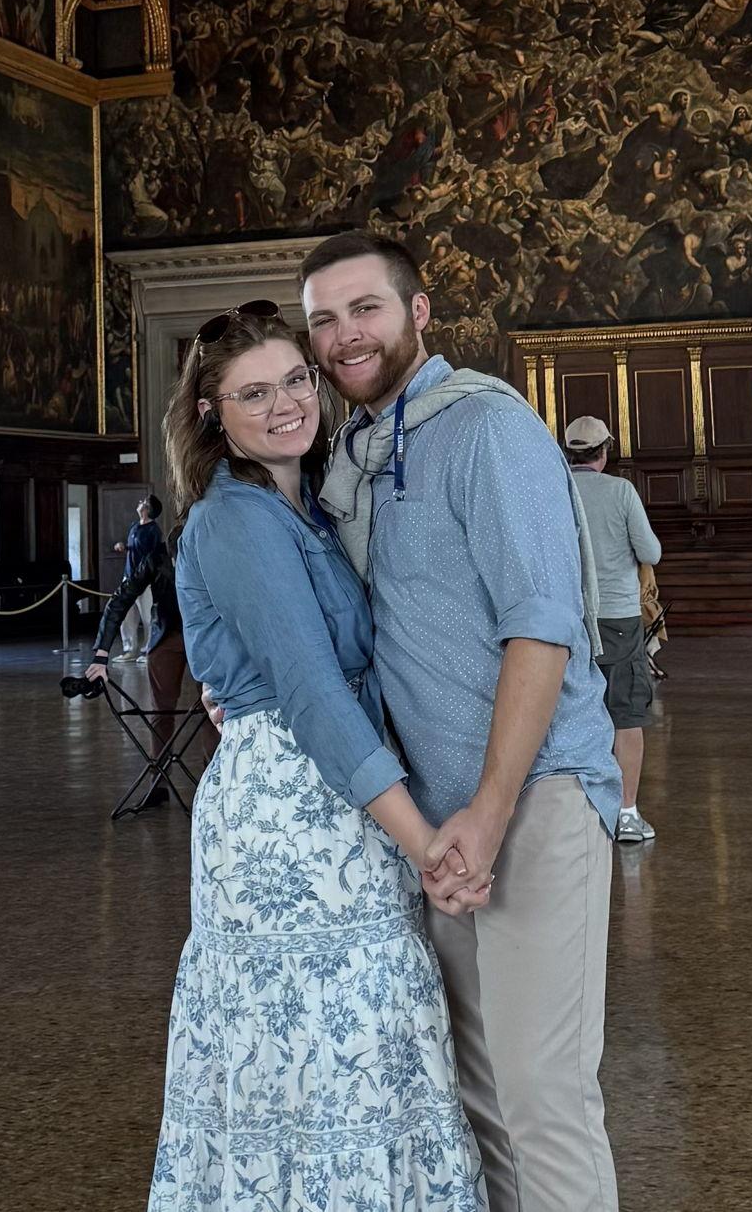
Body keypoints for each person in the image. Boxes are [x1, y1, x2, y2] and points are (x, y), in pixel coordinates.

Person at [137, 304, 485, 1208]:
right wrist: (425, 843)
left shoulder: (308, 505)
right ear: (213, 410)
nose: (287, 402)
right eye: (254, 392)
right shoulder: (241, 519)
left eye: (296, 379)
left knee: (361, 1036)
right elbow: (314, 695)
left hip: (341, 797)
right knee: (314, 1048)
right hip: (292, 814)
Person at [304, 232, 621, 1212]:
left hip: (533, 796)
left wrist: (486, 812)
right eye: (322, 318)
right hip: (436, 820)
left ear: (417, 311)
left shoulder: (483, 425)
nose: (343, 334)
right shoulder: (354, 452)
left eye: (364, 308)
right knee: (477, 1098)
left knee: (541, 1094)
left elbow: (542, 626)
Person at [564, 415, 664, 844]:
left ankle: (575, 815)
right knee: (625, 716)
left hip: (570, 617)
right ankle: (626, 813)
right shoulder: (620, 491)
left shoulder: (557, 488)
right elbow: (651, 551)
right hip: (619, 618)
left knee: (569, 714)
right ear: (605, 451)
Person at [84, 496, 195, 798]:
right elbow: (120, 599)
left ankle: (214, 787)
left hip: (204, 638)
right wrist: (101, 653)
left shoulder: (209, 552)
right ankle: (158, 781)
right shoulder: (156, 557)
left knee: (212, 707)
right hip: (166, 634)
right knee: (161, 710)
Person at [110, 494, 164, 662]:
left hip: (144, 580)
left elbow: (154, 555)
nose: (140, 503)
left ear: (148, 509)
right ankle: (130, 649)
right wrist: (124, 547)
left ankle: (149, 649)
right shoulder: (135, 526)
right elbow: (136, 548)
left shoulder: (153, 530)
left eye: (143, 502)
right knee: (126, 615)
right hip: (129, 577)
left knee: (148, 616)